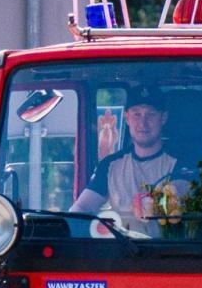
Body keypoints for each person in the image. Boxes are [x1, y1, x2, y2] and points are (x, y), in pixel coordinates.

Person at [69, 85, 180, 232]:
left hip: (170, 251)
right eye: (136, 115)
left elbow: (178, 193)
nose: (143, 123)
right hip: (121, 251)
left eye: (151, 115)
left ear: (163, 118)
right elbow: (83, 207)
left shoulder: (181, 161)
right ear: (127, 118)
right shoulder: (110, 165)